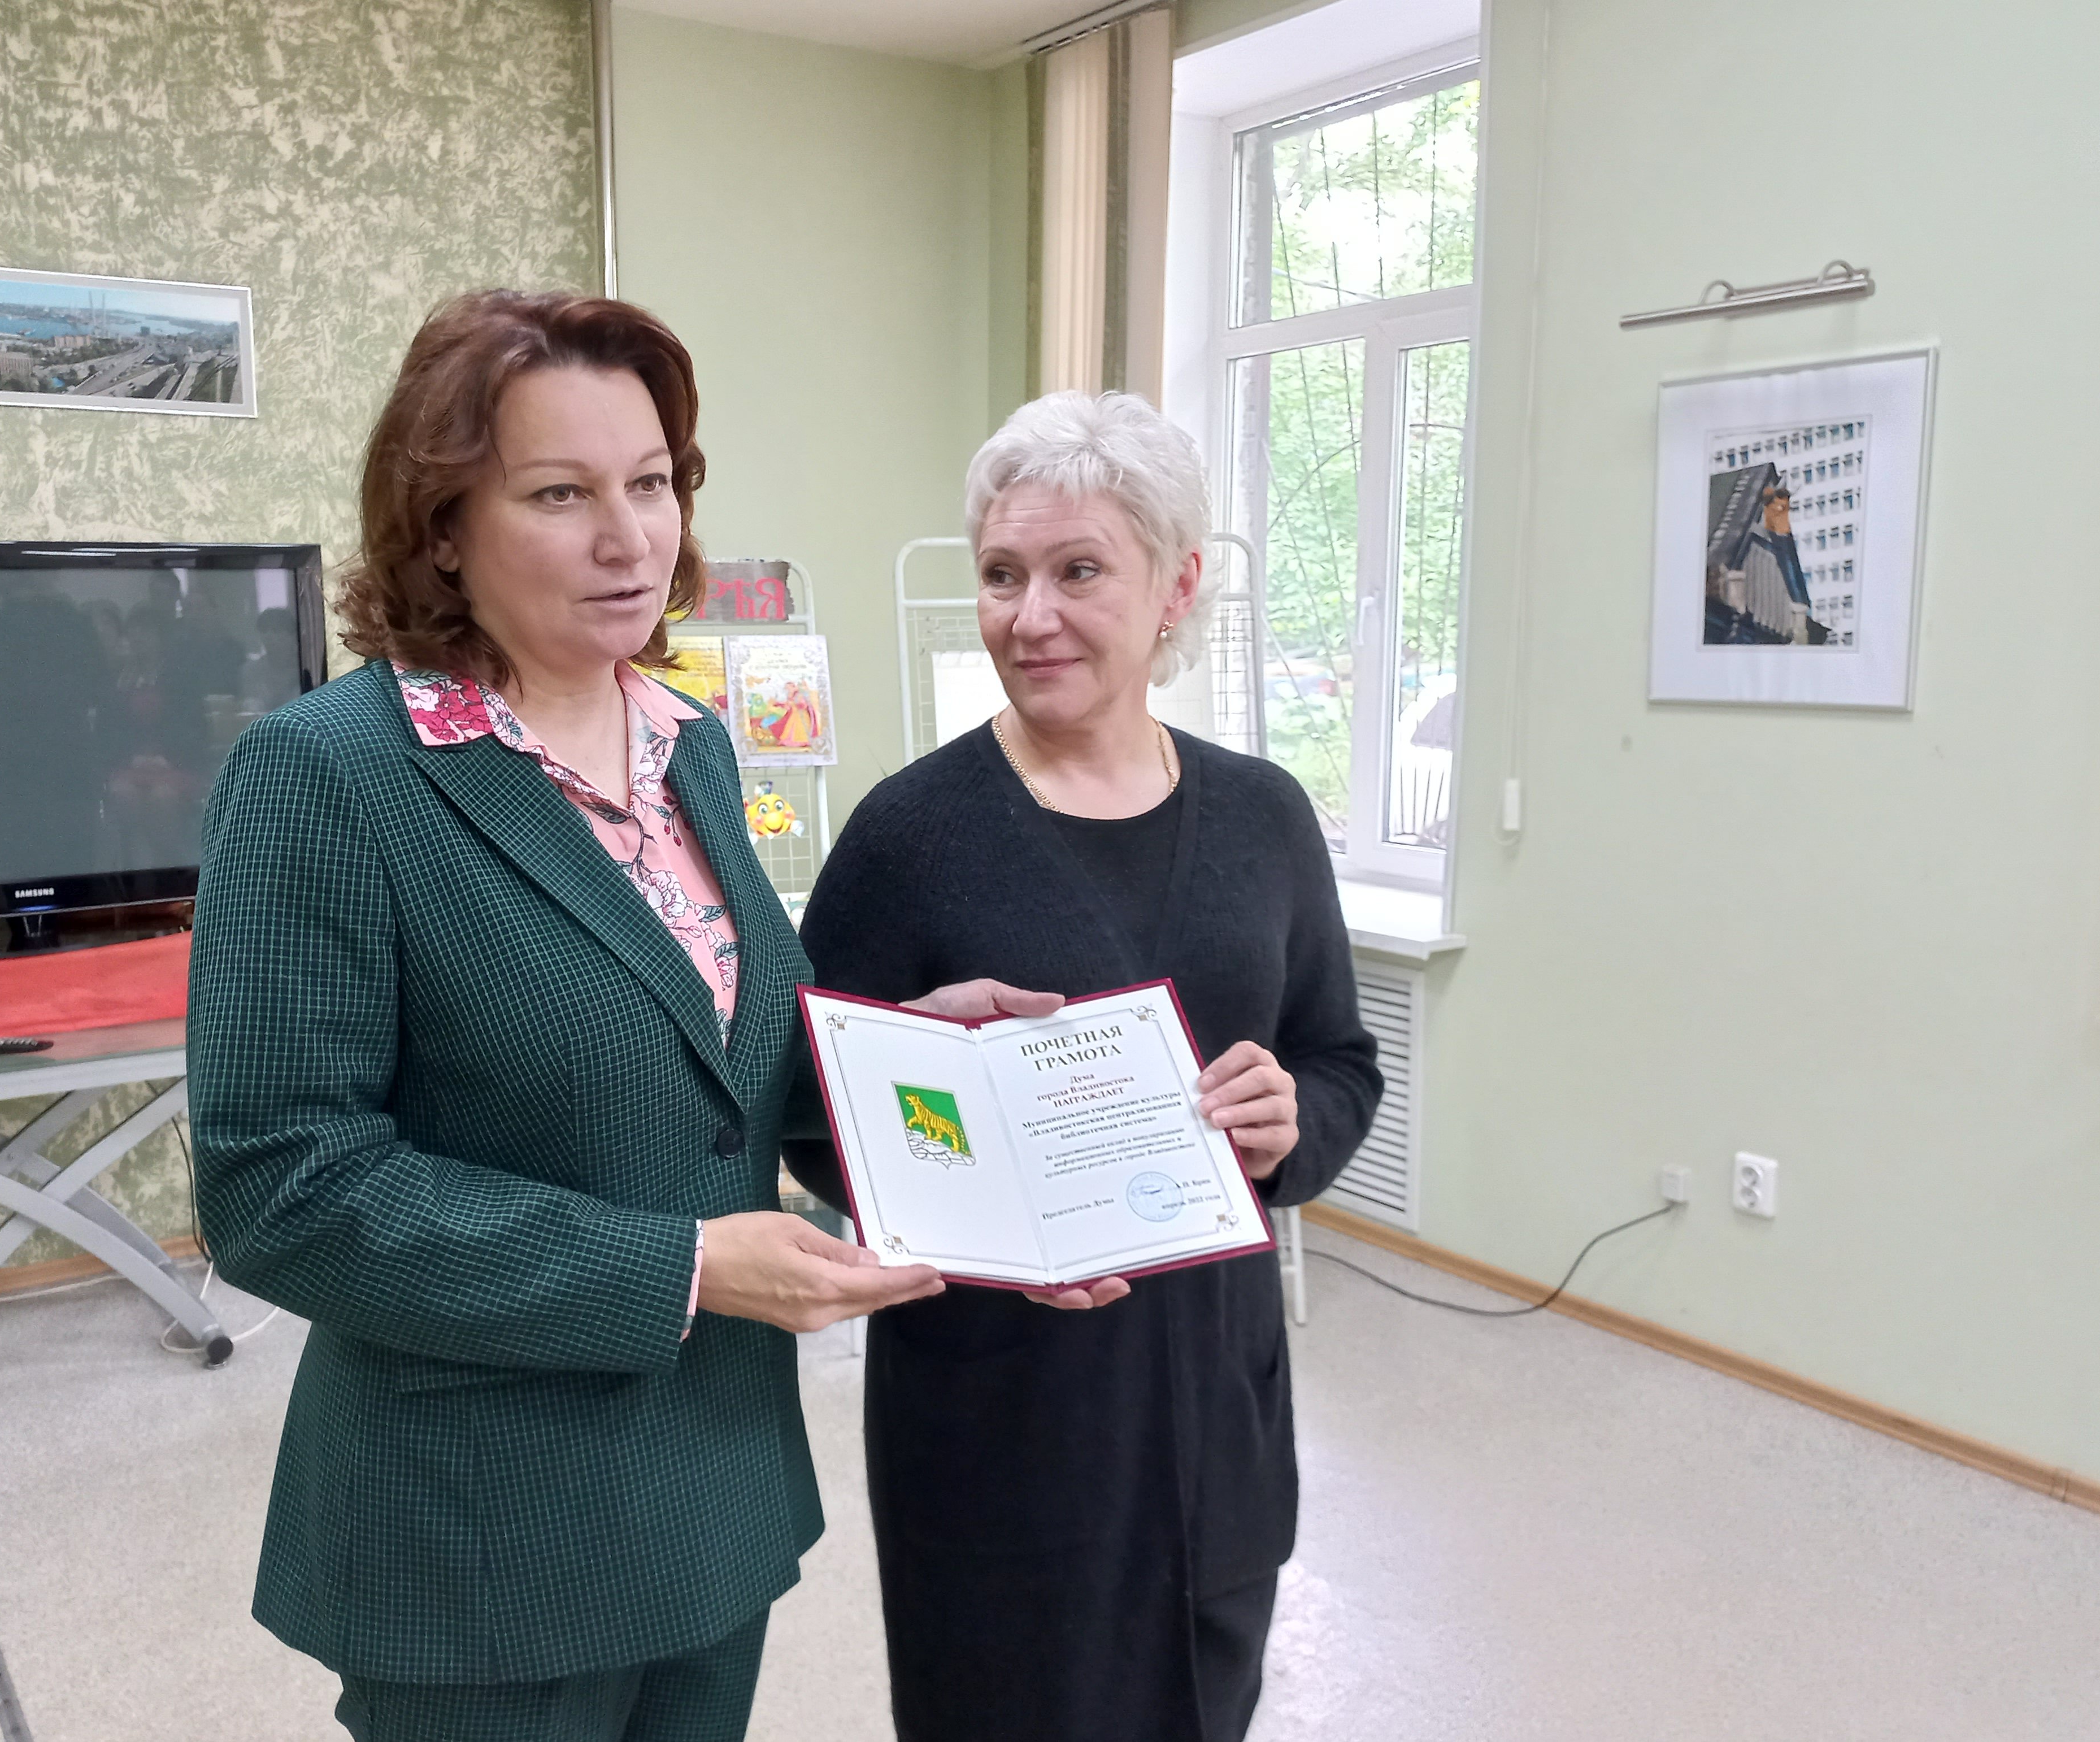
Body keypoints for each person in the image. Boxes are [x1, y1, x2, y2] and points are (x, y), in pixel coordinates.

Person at [186, 290, 941, 1742]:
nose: (629, 539)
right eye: (559, 494)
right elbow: (282, 1189)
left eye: (651, 483)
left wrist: (936, 1061)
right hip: (487, 1537)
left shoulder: (688, 744)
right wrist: (682, 1269)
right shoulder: (327, 777)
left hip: (714, 1491)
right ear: (442, 528)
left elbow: (727, 1054)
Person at [785, 389, 1385, 1742]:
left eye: (1077, 572)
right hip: (1000, 1409)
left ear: (1175, 587)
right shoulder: (908, 836)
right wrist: (934, 1111)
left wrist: (1290, 1123)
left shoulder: (1263, 819)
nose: (1029, 616)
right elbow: (810, 1117)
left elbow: (1338, 1061)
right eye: (1001, 575)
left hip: (1214, 1399)